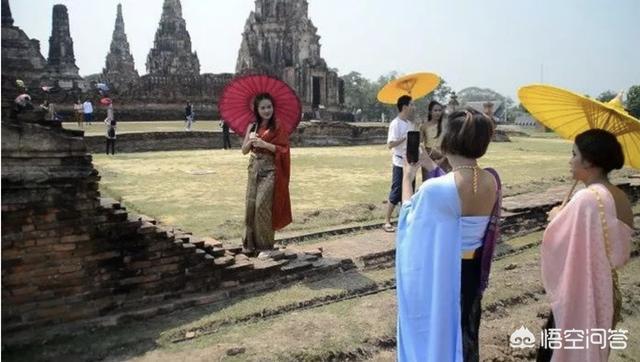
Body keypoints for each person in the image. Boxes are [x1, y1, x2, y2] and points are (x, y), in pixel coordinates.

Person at [396, 108, 501, 362]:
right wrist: (430, 165)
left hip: (444, 276)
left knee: (440, 337)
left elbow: (410, 216)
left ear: (446, 140)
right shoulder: (490, 180)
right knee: (466, 334)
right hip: (472, 273)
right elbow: (455, 192)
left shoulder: (434, 190)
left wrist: (408, 178)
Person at [537, 129, 632, 362]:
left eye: (574, 154)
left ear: (588, 161)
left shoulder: (586, 199)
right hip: (607, 289)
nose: (570, 161)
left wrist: (555, 220)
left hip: (581, 291)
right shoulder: (620, 196)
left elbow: (558, 244)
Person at [240, 93, 292, 255]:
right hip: (254, 167)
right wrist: (250, 140)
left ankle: (265, 246)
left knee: (262, 206)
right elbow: (244, 151)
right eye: (262, 107)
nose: (266, 110)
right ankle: (249, 244)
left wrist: (265, 144)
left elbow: (283, 149)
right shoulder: (252, 126)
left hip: (270, 170)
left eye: (269, 106)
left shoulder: (277, 126)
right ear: (257, 109)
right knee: (251, 205)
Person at [382, 95, 417, 233]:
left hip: (410, 161)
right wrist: (404, 138)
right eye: (412, 105)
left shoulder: (409, 123)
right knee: (396, 191)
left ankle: (405, 220)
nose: (414, 107)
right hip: (399, 162)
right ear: (404, 107)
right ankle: (387, 221)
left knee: (410, 191)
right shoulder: (395, 123)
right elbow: (390, 144)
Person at [419, 100, 449, 181]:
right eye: (435, 110)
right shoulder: (424, 126)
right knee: (429, 183)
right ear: (430, 112)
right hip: (429, 157)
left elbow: (449, 144)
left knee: (443, 183)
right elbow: (420, 144)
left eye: (440, 110)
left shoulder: (445, 126)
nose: (438, 113)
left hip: (443, 157)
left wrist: (441, 159)